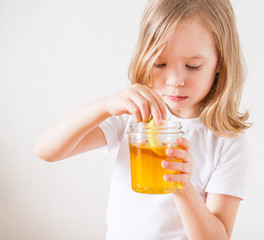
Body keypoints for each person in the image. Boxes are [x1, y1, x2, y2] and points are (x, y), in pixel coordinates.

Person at [35, 0, 251, 239]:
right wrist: (106, 106)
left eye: (193, 66)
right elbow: (47, 150)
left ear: (220, 62)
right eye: (160, 63)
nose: (175, 80)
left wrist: (183, 189)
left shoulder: (226, 142)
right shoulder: (135, 116)